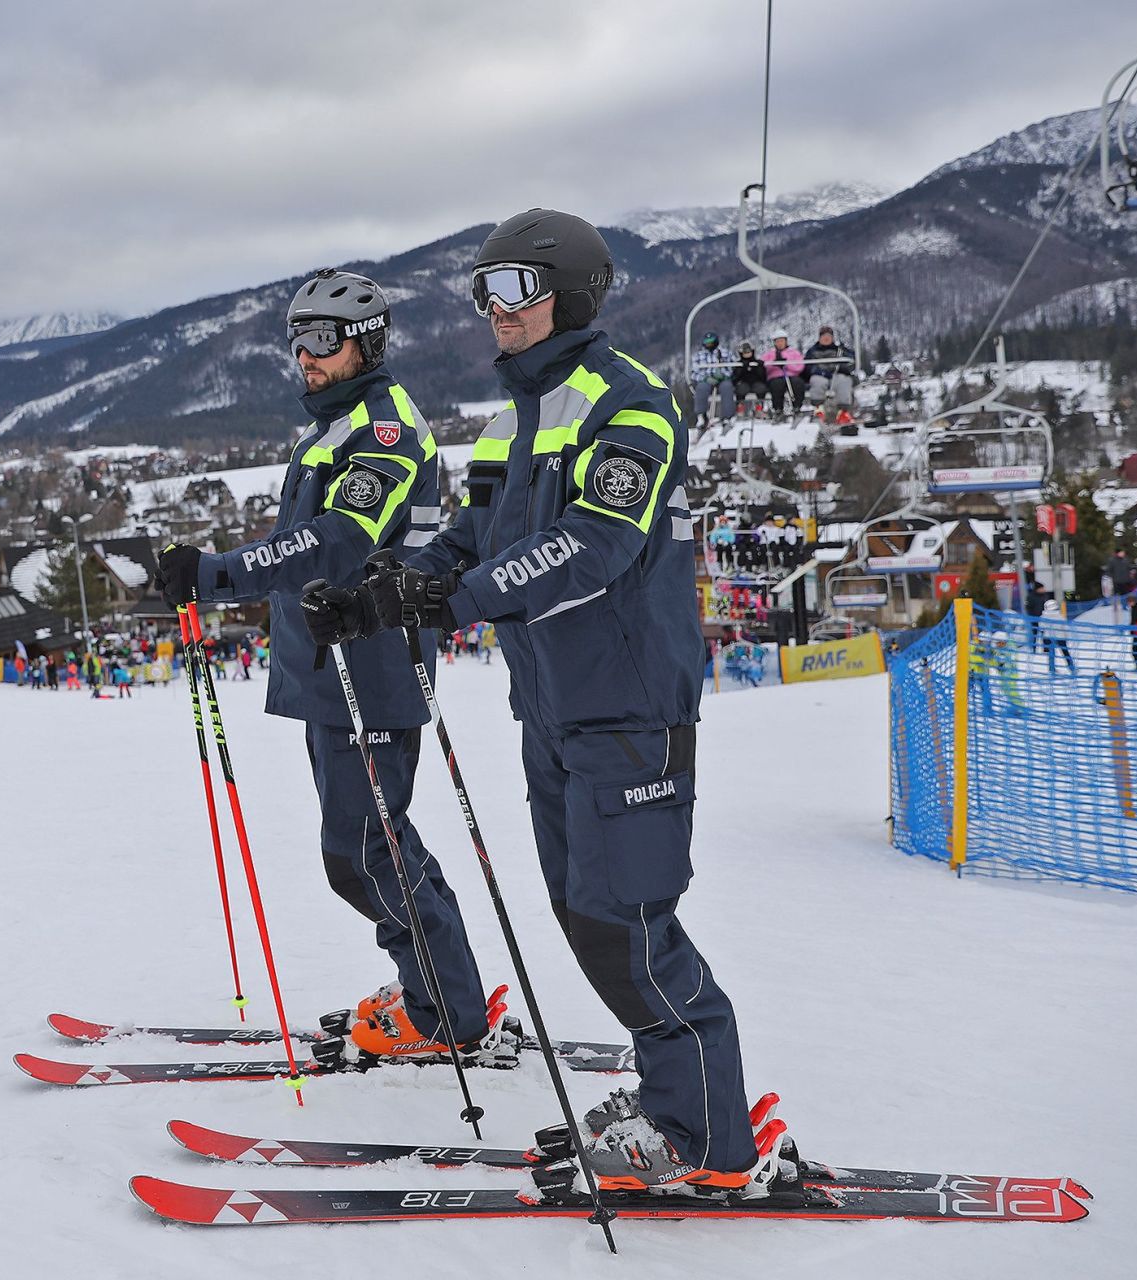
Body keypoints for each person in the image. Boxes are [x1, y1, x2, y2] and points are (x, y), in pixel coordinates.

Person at [304, 209, 766, 1195]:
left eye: (514, 288)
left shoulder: (629, 404)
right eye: (484, 291)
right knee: (588, 913)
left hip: (628, 705)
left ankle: (706, 1136)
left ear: (573, 292)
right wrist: (385, 584)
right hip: (552, 706)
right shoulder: (515, 417)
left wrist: (455, 596)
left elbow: (596, 544)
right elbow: (469, 538)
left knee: (629, 920)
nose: (494, 310)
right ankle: (677, 1110)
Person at [154, 266, 490, 1066]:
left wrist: (217, 573)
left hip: (367, 672)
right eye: (297, 340)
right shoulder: (333, 426)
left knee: (364, 853)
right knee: (378, 844)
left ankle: (444, 1010)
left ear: (365, 343)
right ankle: (443, 994)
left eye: (322, 340)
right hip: (330, 672)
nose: (305, 356)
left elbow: (336, 542)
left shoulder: (384, 432)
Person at [801, 326, 857, 424]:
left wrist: (845, 351)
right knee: (817, 382)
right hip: (820, 374)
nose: (826, 339)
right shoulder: (813, 351)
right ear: (819, 338)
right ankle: (818, 409)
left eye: (828, 336)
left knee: (844, 381)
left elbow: (851, 359)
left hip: (836, 374)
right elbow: (807, 366)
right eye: (824, 336)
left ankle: (843, 412)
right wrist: (817, 371)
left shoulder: (839, 350)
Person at [688, 331, 732, 426]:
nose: (709, 344)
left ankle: (727, 416)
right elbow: (693, 373)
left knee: (727, 387)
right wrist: (704, 378)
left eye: (711, 342)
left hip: (722, 379)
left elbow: (733, 367)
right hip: (706, 379)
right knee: (701, 388)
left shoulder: (725, 353)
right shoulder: (699, 356)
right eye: (707, 342)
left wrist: (724, 375)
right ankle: (702, 416)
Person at [761, 330, 805, 416]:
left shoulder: (793, 353)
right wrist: (774, 363)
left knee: (797, 383)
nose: (780, 343)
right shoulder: (770, 354)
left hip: (791, 376)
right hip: (776, 377)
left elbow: (800, 366)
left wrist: (787, 364)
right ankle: (778, 409)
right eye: (777, 341)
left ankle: (797, 407)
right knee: (777, 385)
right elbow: (763, 366)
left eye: (782, 341)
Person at [729, 342, 769, 417]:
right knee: (741, 388)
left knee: (761, 388)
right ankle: (740, 408)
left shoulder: (757, 363)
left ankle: (759, 408)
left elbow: (763, 377)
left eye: (749, 351)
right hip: (743, 383)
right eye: (745, 352)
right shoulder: (738, 364)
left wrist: (759, 368)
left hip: (756, 382)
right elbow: (735, 378)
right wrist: (741, 369)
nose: (747, 353)